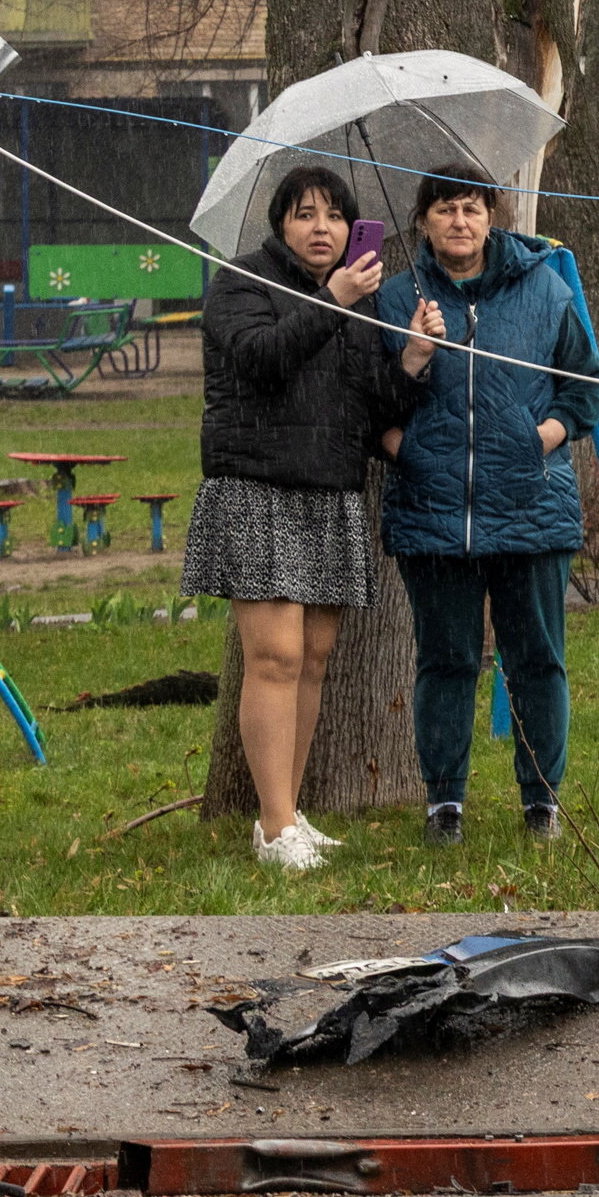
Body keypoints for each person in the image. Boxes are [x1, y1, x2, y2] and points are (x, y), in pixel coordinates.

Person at [187, 162, 414, 873]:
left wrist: (413, 358)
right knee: (276, 656)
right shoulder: (240, 282)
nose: (323, 228)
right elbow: (262, 359)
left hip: (330, 491)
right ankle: (274, 823)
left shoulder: (357, 298)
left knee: (313, 660)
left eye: (335, 216)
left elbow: (374, 403)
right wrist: (334, 301)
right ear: (280, 222)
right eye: (306, 213)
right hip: (258, 490)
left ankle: (287, 813)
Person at [374, 169, 599, 842]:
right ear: (423, 221)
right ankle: (444, 801)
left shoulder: (545, 288)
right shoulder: (395, 300)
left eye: (471, 208)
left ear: (491, 216)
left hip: (530, 507)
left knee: (536, 659)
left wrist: (542, 439)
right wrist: (413, 375)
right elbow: (369, 404)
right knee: (445, 660)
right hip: (432, 512)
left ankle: (542, 801)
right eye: (444, 209)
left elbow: (585, 385)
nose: (459, 221)